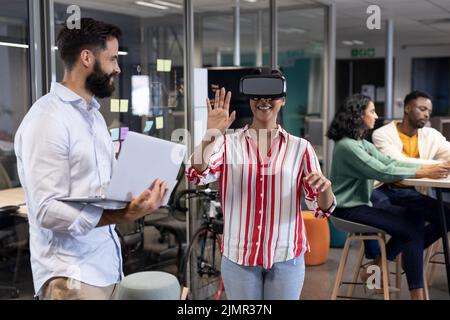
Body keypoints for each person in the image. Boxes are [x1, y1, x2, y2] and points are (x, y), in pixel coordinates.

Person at [14, 18, 167, 300]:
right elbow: (46, 210)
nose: (118, 68)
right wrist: (121, 215)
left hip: (105, 265)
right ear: (87, 57)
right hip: (70, 274)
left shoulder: (93, 116)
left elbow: (96, 189)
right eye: (112, 59)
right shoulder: (48, 120)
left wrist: (135, 195)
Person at [185, 70, 336, 300]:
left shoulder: (301, 148)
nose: (264, 101)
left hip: (286, 257)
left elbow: (321, 208)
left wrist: (325, 189)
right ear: (249, 99)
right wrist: (211, 133)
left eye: (272, 95)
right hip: (239, 259)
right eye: (257, 95)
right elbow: (197, 173)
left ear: (283, 99)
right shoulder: (228, 144)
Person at [327, 94, 450, 300]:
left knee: (415, 220)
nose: (377, 115)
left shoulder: (360, 143)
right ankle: (417, 295)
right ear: (358, 115)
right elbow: (382, 172)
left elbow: (390, 162)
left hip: (361, 205)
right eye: (372, 111)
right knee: (411, 232)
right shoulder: (347, 146)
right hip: (347, 209)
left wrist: (426, 168)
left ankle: (382, 264)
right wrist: (424, 171)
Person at [367, 91, 450, 263]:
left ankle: (406, 251)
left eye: (429, 111)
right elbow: (397, 162)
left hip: (409, 193)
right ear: (407, 108)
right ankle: (391, 256)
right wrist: (435, 165)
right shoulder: (382, 133)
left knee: (447, 214)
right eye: (422, 109)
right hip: (385, 189)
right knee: (413, 219)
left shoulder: (431, 135)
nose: (427, 114)